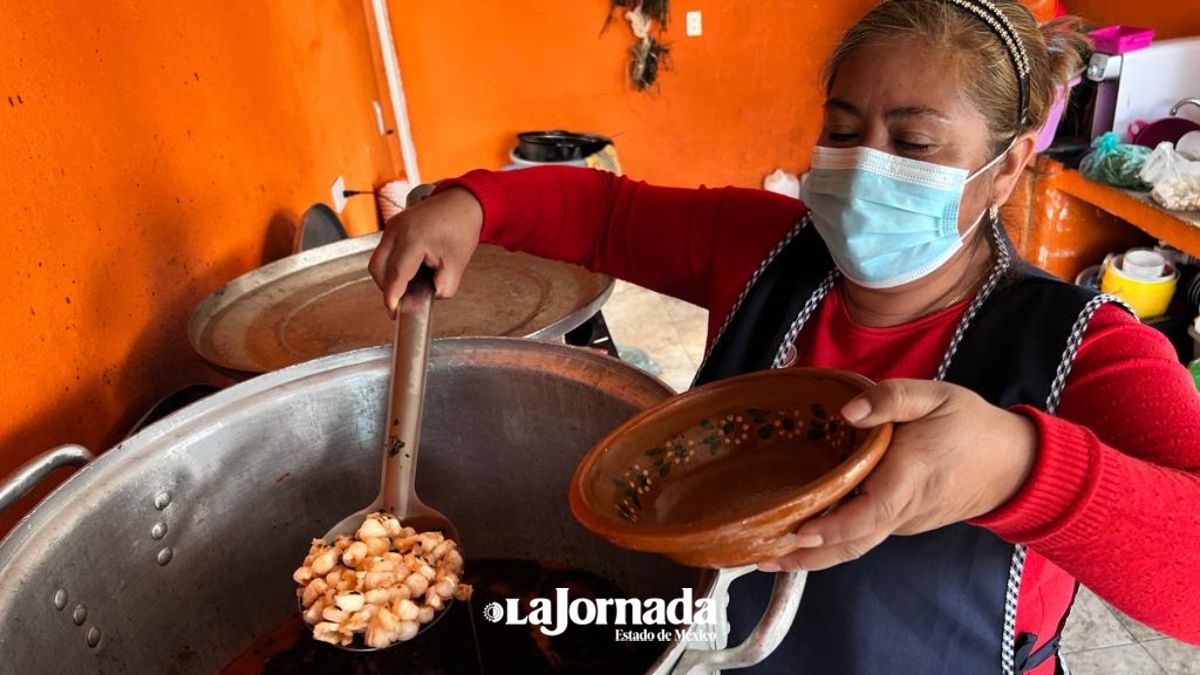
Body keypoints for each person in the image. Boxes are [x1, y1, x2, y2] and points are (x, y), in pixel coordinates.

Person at [369, 0, 1200, 671]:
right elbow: (605, 212)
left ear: (1010, 164)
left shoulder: (1084, 351)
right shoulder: (763, 245)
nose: (864, 164)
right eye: (842, 131)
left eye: (912, 143)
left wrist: (1018, 471)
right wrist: (472, 202)